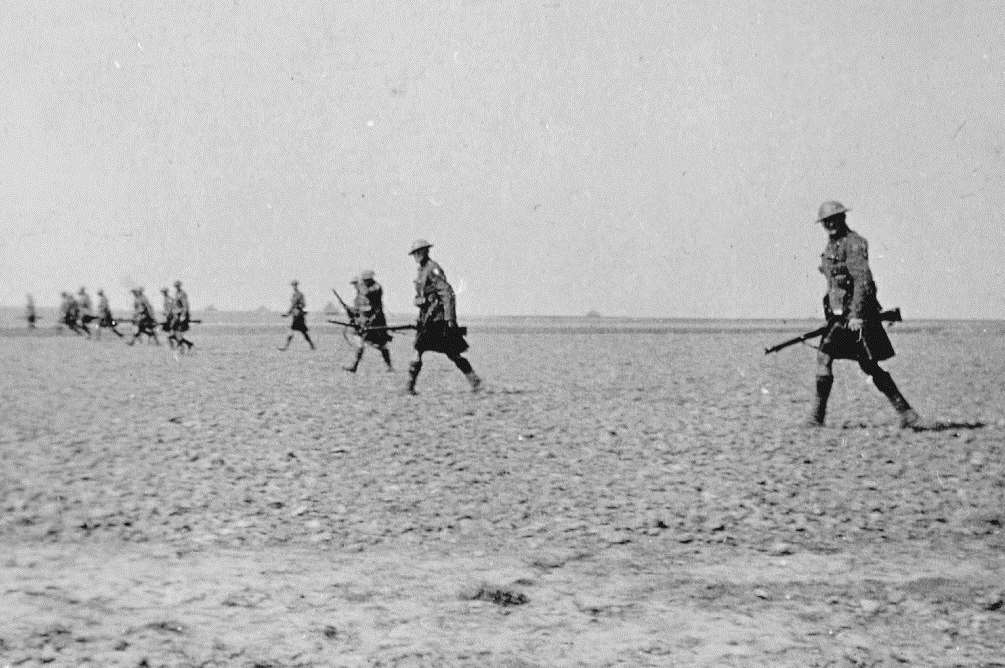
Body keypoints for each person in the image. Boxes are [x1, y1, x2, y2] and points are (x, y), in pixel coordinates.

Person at [808, 201, 920, 428]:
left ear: (842, 219)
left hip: (854, 317)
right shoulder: (831, 246)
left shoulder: (854, 243)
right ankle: (907, 414)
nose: (830, 224)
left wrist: (856, 315)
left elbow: (863, 281)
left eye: (834, 219)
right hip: (839, 317)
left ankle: (907, 414)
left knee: (867, 365)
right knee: (829, 358)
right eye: (825, 221)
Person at [405, 239, 481, 394]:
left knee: (447, 352)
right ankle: (410, 387)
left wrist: (450, 319)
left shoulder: (433, 269)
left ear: (426, 252)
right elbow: (422, 294)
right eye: (415, 254)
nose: (417, 256)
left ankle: (474, 380)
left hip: (437, 319)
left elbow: (447, 293)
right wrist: (419, 301)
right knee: (425, 349)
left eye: (419, 252)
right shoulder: (421, 271)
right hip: (426, 318)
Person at [342, 271, 394, 373]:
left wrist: (361, 288)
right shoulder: (358, 297)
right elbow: (358, 312)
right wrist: (349, 310)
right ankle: (354, 366)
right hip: (363, 323)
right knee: (360, 344)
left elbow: (369, 299)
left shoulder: (376, 287)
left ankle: (389, 366)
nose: (355, 287)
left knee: (381, 345)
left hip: (376, 321)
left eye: (358, 283)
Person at [279, 279, 315, 350]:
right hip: (295, 315)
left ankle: (286, 347)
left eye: (295, 285)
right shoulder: (294, 295)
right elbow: (292, 306)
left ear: (297, 286)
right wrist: (288, 314)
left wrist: (298, 307)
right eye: (293, 285)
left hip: (299, 316)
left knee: (302, 332)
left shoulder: (300, 294)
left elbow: (303, 304)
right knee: (297, 331)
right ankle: (311, 345)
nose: (294, 287)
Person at [171, 280, 195, 351]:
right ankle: (188, 344)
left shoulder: (182, 293)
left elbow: (185, 305)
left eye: (177, 285)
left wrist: (183, 316)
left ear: (180, 286)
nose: (176, 287)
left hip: (181, 315)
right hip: (177, 315)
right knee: (175, 332)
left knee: (178, 332)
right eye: (175, 286)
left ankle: (182, 347)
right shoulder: (176, 293)